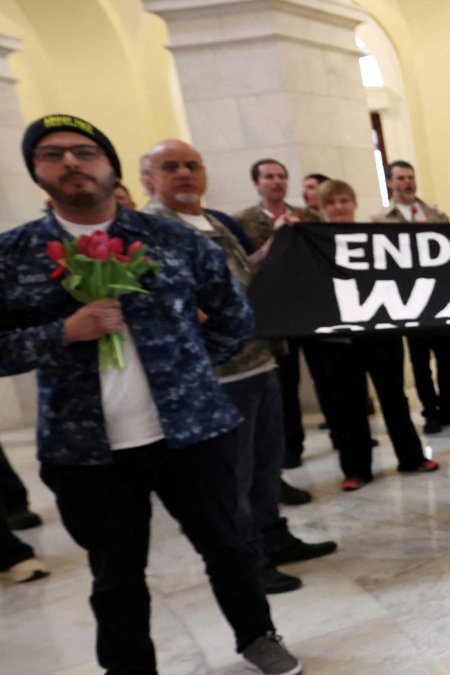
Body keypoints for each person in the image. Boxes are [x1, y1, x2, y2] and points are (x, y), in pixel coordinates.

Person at [0, 114, 301, 674]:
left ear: (111, 167)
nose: (71, 162)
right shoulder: (14, 255)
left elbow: (237, 318)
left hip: (192, 432)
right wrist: (63, 333)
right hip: (85, 447)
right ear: (35, 172)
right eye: (52, 153)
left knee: (231, 547)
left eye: (85, 151)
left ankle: (258, 635)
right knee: (115, 572)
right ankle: (129, 665)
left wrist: (186, 365)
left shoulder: (171, 240)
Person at [143, 139, 338, 593]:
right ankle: (248, 559)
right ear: (149, 177)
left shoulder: (213, 222)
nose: (185, 173)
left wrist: (271, 254)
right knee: (234, 474)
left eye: (193, 164)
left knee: (267, 462)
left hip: (259, 358)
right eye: (171, 166)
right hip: (216, 374)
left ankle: (273, 537)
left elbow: (242, 277)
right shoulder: (151, 228)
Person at [308, 179, 438, 490]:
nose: (338, 207)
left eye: (343, 200)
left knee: (394, 397)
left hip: (380, 332)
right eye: (331, 203)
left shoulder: (375, 238)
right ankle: (356, 469)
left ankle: (412, 457)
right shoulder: (311, 244)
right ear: (322, 208)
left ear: (353, 203)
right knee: (348, 404)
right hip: (337, 338)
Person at [235, 159, 328, 476]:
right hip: (271, 316)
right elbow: (242, 267)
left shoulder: (309, 216)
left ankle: (342, 435)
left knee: (326, 377)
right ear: (256, 183)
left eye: (281, 176)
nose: (276, 182)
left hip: (310, 310)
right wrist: (273, 242)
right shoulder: (242, 222)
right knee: (285, 383)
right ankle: (292, 447)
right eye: (269, 176)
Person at [372, 160, 450, 434]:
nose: (407, 183)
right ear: (391, 183)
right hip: (408, 302)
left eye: (410, 177)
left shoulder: (436, 215)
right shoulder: (380, 220)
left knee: (446, 358)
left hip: (439, 298)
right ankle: (431, 411)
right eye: (401, 178)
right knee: (419, 361)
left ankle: (449, 406)